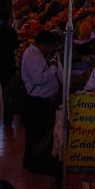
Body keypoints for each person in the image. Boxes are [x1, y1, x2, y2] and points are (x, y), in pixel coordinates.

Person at [20, 31, 62, 175]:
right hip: (36, 102)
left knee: (37, 133)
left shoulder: (36, 54)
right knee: (36, 134)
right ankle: (34, 165)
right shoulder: (32, 56)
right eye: (52, 48)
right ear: (44, 45)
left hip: (40, 101)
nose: (52, 51)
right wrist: (53, 67)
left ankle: (33, 162)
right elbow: (39, 79)